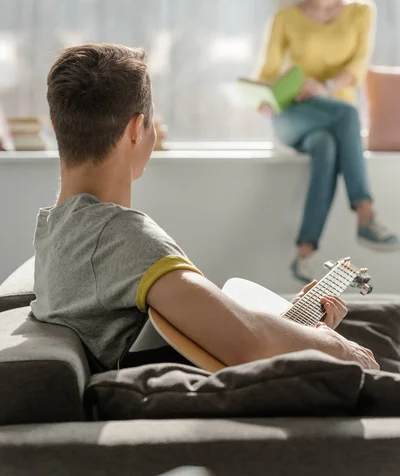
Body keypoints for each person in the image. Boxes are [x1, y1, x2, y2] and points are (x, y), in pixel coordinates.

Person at [31, 43, 378, 374]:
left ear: (59, 127)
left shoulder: (53, 230)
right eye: (153, 122)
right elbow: (249, 342)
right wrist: (337, 347)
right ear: (137, 129)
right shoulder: (122, 238)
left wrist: (299, 327)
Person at [255, 0, 400, 284]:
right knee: (348, 113)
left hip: (334, 114)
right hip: (294, 115)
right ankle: (365, 214)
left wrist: (324, 87)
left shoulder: (361, 12)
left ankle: (304, 253)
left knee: (327, 143)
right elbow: (265, 76)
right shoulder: (285, 18)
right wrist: (280, 90)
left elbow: (356, 67)